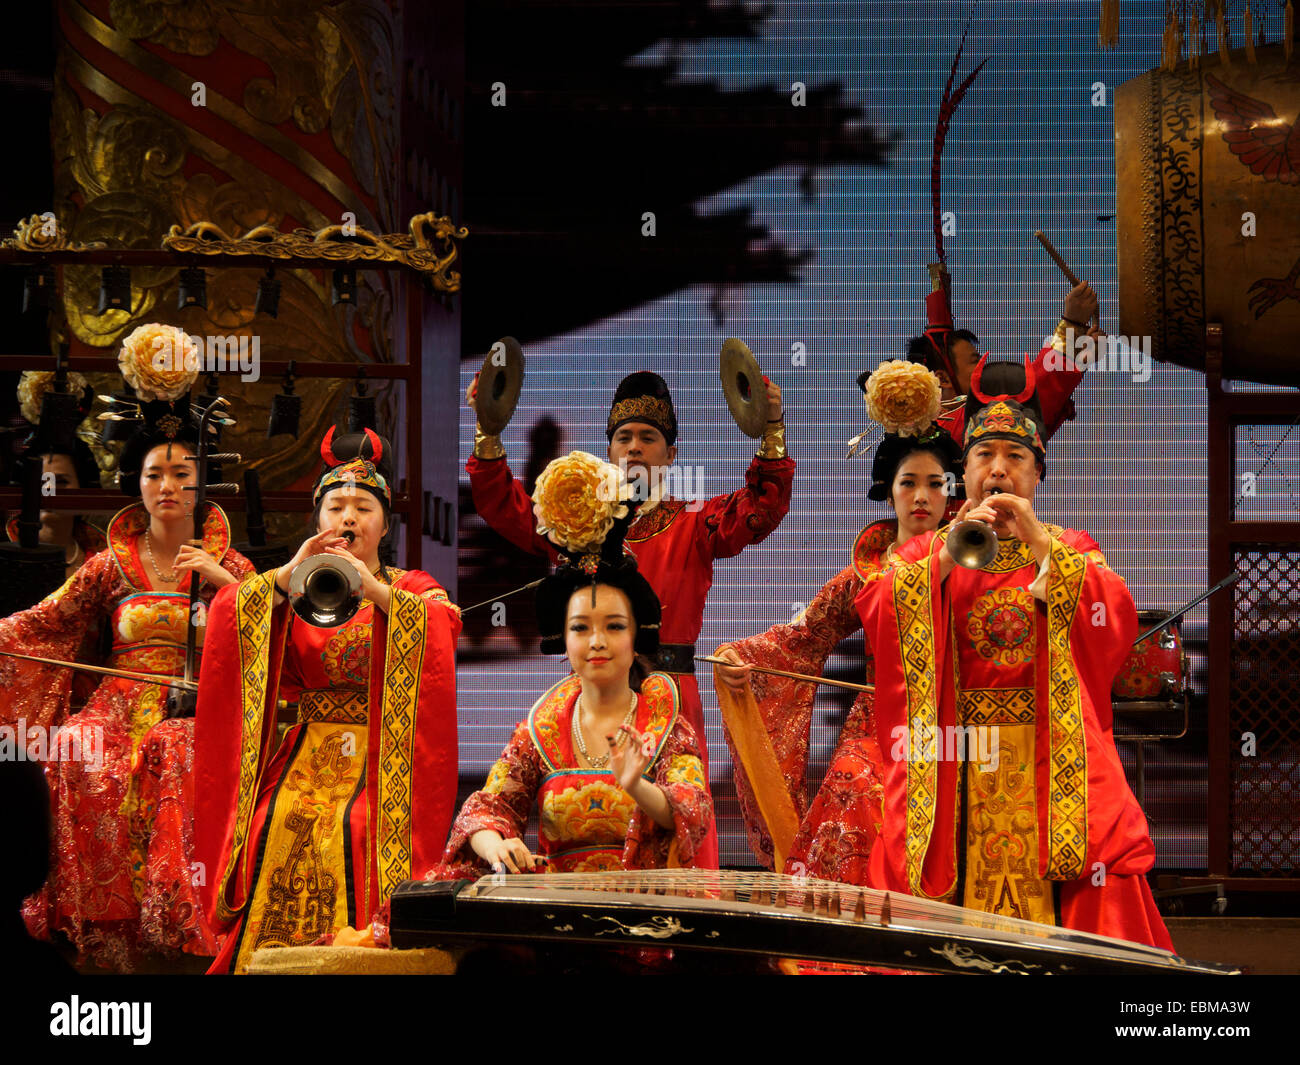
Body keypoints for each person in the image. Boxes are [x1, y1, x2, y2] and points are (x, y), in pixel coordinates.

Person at [855, 357, 1174, 949]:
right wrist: (946, 556)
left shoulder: (1070, 547)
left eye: (1015, 458)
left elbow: (1114, 618)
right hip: (958, 758)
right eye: (983, 457)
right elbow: (877, 610)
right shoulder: (927, 551)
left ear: (1037, 474)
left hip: (1048, 758)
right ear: (964, 471)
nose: (998, 471)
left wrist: (1037, 541)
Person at [466, 367, 792, 866]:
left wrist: (770, 429)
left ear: (671, 455)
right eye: (623, 438)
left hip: (672, 695)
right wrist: (488, 433)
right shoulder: (577, 525)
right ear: (609, 452)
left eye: (648, 437)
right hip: (592, 696)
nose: (634, 447)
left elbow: (760, 509)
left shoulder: (695, 524)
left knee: (681, 839)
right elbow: (505, 507)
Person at [0, 335, 254, 970]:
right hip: (117, 699)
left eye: (181, 474)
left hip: (198, 703)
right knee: (77, 751)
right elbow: (44, 620)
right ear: (136, 484)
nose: (167, 486)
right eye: (154, 474)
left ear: (201, 485)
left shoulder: (234, 564)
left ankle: (183, 923)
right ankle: (102, 923)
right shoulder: (108, 564)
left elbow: (274, 631)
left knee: (181, 754)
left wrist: (227, 587)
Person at [194, 427, 461, 974]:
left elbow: (445, 624)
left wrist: (378, 593)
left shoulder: (408, 584)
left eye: (364, 506)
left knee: (358, 824)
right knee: (274, 817)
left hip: (384, 754)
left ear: (384, 523)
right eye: (335, 505)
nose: (349, 517)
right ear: (317, 521)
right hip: (307, 750)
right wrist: (283, 579)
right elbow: (235, 623)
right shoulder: (296, 585)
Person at [713, 362, 960, 881]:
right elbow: (803, 636)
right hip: (877, 727)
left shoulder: (976, 562)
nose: (920, 496)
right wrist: (743, 659)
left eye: (934, 484)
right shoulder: (866, 571)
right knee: (851, 791)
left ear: (950, 491)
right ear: (887, 492)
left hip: (958, 725)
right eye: (908, 483)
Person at [433, 452, 711, 877]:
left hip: (646, 917)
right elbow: (487, 810)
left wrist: (637, 784)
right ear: (563, 638)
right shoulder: (542, 727)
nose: (597, 642)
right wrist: (497, 846)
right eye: (581, 628)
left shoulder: (665, 720)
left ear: (637, 638)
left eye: (614, 627)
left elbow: (690, 808)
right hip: (557, 919)